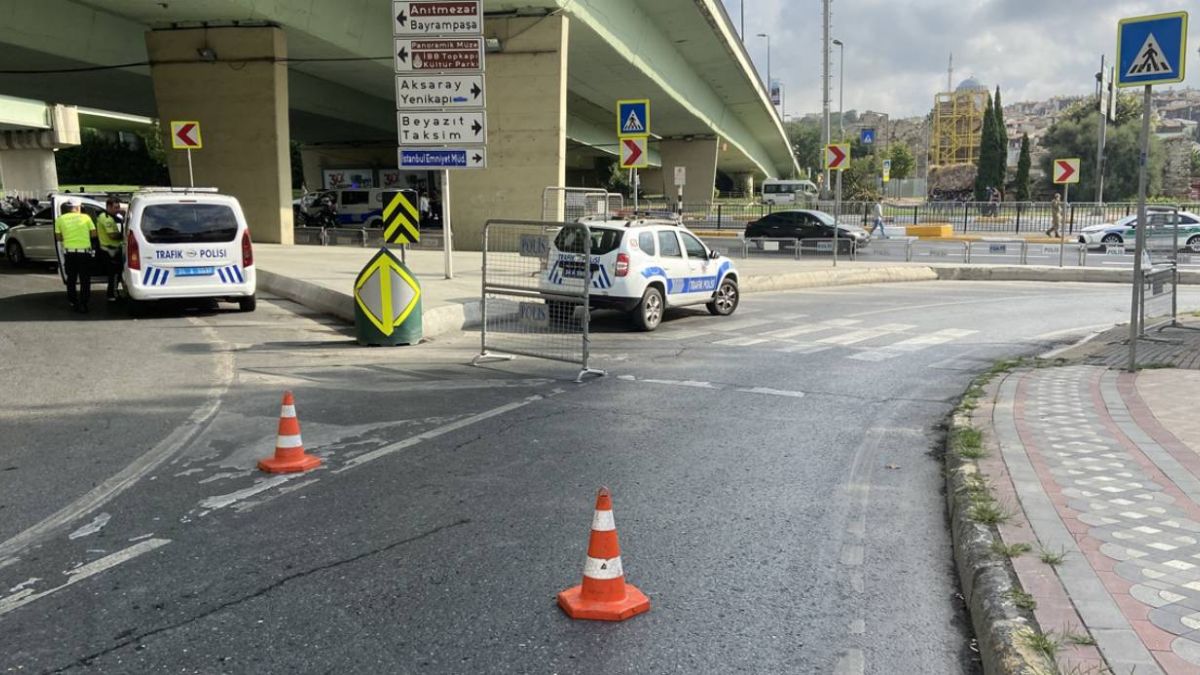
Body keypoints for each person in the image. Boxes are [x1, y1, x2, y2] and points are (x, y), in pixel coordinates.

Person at [54, 199, 97, 313]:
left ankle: (73, 301)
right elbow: (93, 234)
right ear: (79, 207)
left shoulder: (60, 219)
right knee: (85, 279)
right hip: (84, 253)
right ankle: (84, 303)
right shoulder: (86, 218)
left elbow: (58, 237)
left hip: (69, 253)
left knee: (71, 279)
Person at [95, 198, 125, 301]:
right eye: (115, 207)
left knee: (115, 273)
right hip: (110, 250)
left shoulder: (112, 217)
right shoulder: (106, 218)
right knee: (115, 274)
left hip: (112, 249)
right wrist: (125, 236)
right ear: (108, 207)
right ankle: (112, 294)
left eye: (118, 207)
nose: (118, 209)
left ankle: (113, 293)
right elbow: (112, 235)